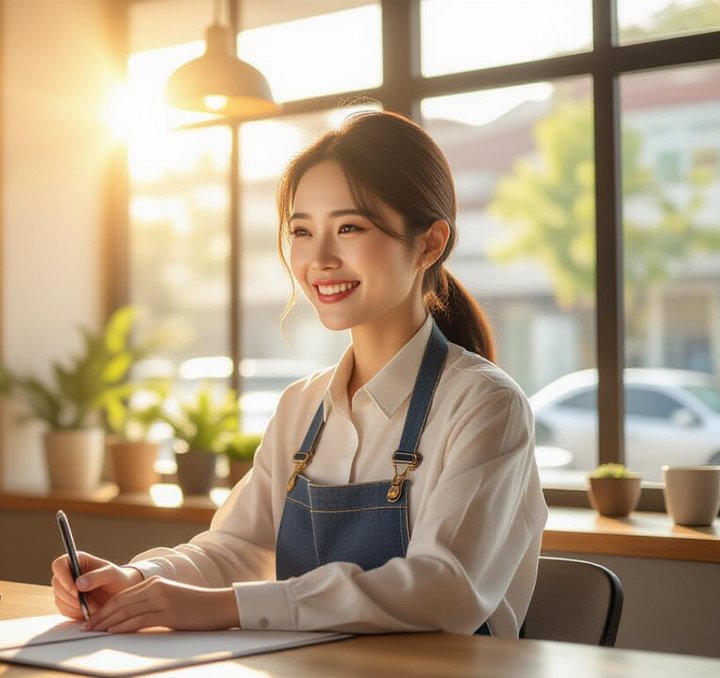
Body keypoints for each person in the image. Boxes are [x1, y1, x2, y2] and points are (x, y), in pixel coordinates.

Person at [51, 110, 548, 637]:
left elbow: (444, 590)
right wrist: (137, 579)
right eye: (302, 231)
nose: (320, 258)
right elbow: (237, 549)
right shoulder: (300, 407)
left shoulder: (484, 403)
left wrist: (226, 608)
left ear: (429, 243)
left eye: (349, 227)